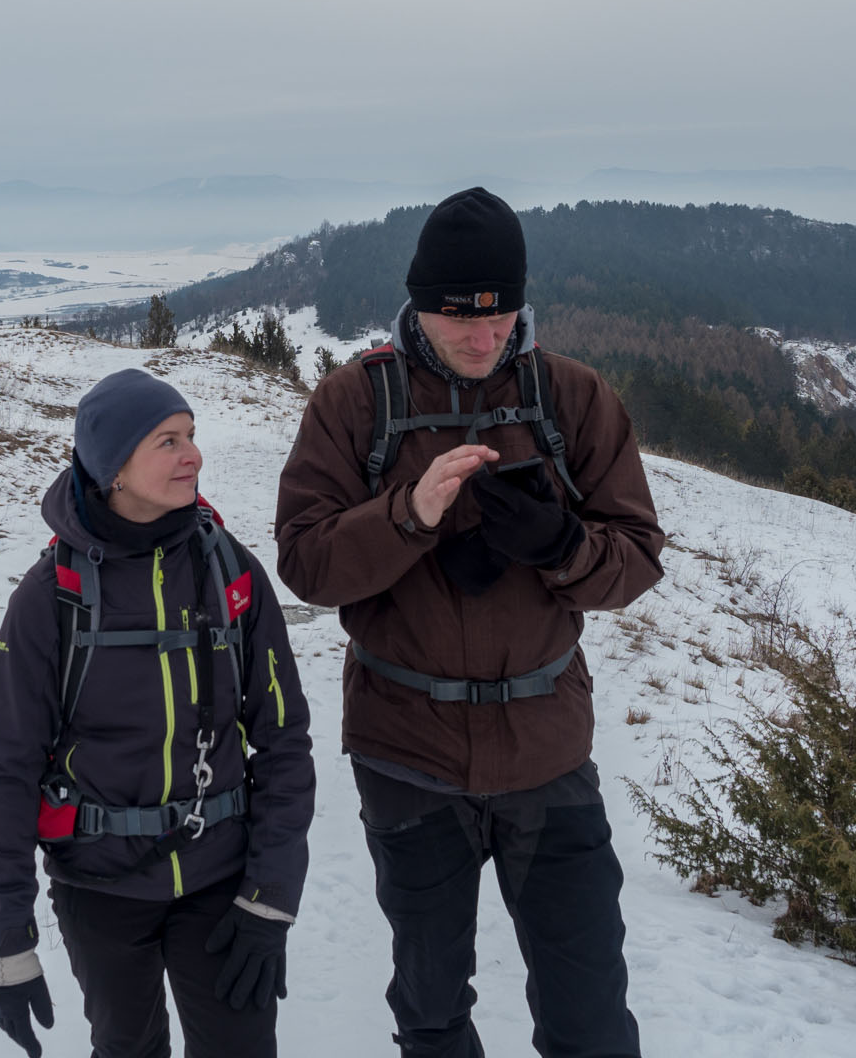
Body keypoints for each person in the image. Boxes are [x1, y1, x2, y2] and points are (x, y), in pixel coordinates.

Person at [274, 187, 665, 1058]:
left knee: (590, 1010)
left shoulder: (571, 398)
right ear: (420, 301)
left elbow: (636, 559)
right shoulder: (354, 405)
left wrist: (563, 545)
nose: (484, 340)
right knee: (432, 1005)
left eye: (502, 316)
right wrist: (408, 515)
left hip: (547, 752)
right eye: (460, 319)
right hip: (407, 754)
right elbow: (305, 563)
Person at [0, 368, 316, 1058]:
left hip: (222, 880)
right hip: (98, 887)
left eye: (191, 436)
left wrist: (270, 894)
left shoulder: (231, 573)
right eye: (167, 441)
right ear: (113, 468)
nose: (193, 455)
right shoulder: (51, 599)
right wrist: (7, 940)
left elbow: (283, 740)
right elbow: (8, 768)